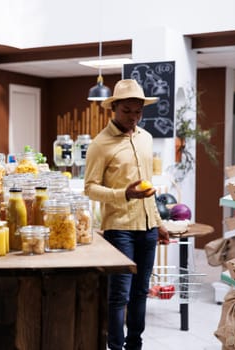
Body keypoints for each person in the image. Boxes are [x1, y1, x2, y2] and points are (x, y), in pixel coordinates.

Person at [83, 79, 170, 350]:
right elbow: (90, 188)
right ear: (114, 109)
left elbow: (147, 187)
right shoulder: (101, 144)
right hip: (119, 228)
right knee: (119, 294)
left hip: (147, 228)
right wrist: (124, 194)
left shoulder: (145, 139)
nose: (133, 118)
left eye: (138, 112)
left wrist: (159, 223)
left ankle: (135, 345)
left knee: (140, 292)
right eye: (127, 111)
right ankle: (115, 347)